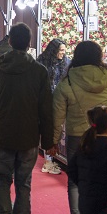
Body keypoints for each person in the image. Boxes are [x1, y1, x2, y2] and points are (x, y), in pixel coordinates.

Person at [0, 22, 54, 214]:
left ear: (10, 41)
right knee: (24, 184)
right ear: (29, 43)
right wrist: (48, 140)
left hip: (1, 133)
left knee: (1, 181)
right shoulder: (39, 71)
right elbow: (46, 108)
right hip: (28, 136)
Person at [52, 41, 107, 214]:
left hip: (77, 135)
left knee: (75, 180)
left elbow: (57, 114)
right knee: (101, 177)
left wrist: (52, 141)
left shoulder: (68, 81)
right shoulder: (106, 76)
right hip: (102, 135)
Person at [39, 38, 71, 175]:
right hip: (46, 101)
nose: (63, 53)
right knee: (49, 130)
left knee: (55, 130)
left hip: (59, 100)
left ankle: (50, 160)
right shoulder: (42, 62)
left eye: (64, 50)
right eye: (61, 50)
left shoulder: (66, 62)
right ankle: (48, 161)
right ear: (54, 50)